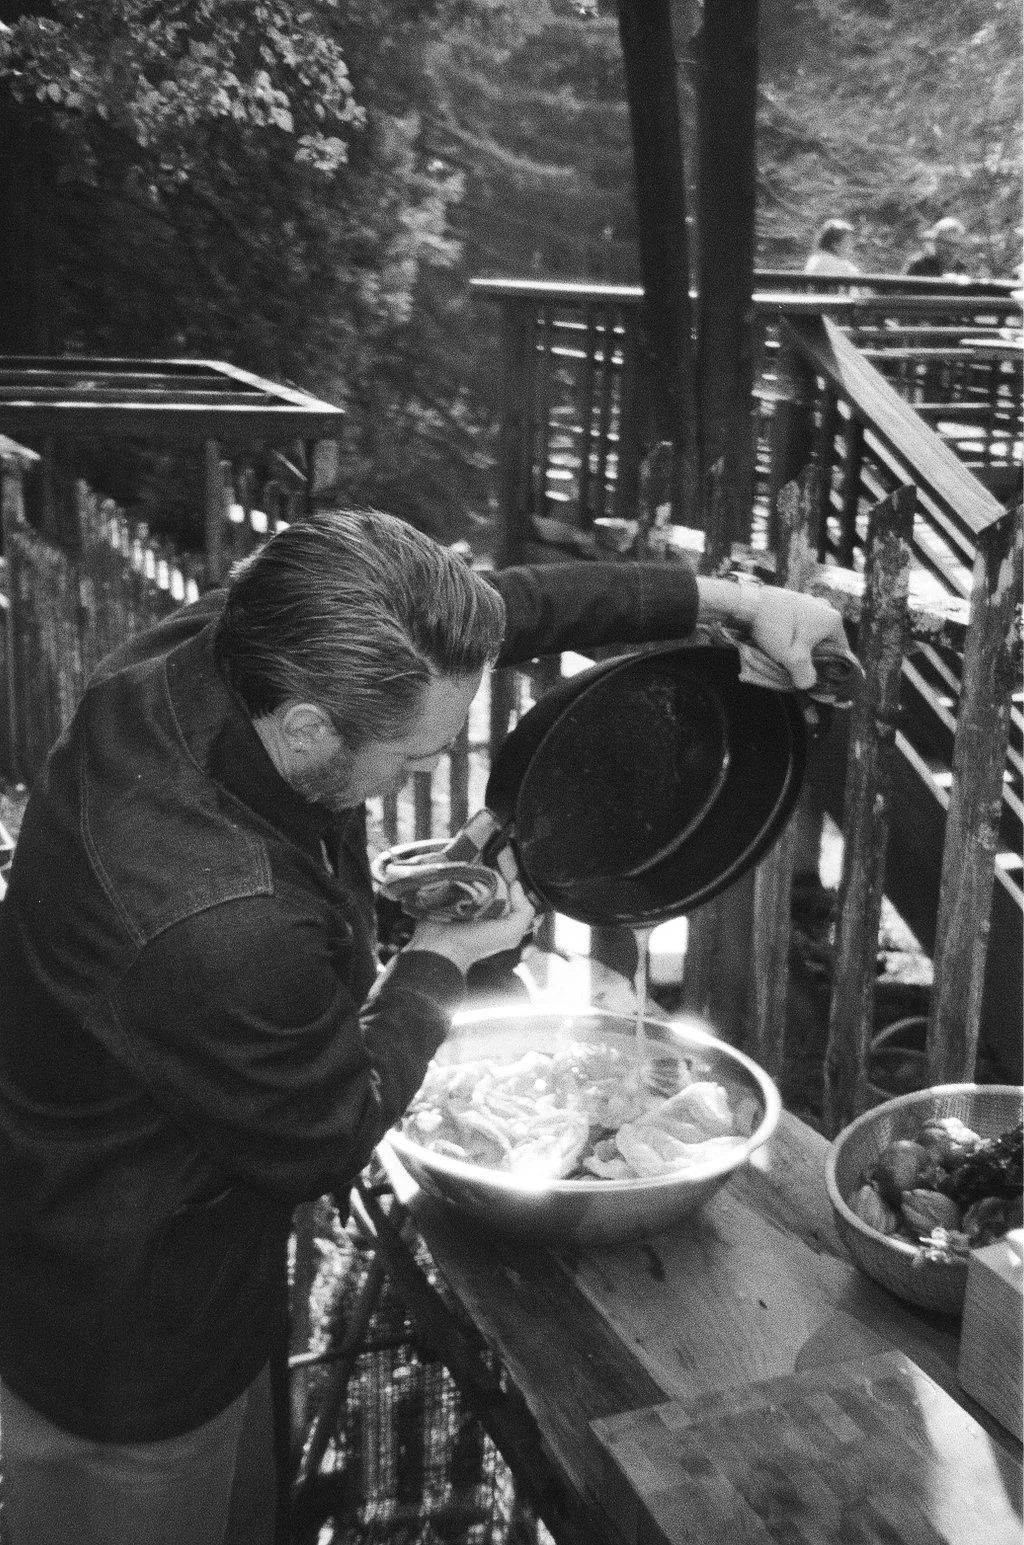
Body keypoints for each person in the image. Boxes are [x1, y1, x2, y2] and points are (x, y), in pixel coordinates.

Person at [0, 509, 845, 1545]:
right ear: (309, 727)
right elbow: (324, 1132)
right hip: (119, 1322)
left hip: (193, 1230)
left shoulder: (241, 638)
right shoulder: (215, 921)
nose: (413, 784)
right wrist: (438, 961)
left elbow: (504, 607)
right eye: (406, 765)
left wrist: (731, 603)